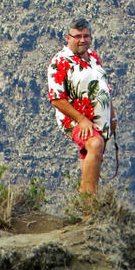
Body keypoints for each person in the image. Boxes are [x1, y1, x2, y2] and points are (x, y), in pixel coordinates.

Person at [47, 18, 117, 193]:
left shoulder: (93, 56)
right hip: (76, 120)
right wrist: (82, 120)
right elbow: (56, 98)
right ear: (68, 37)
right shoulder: (60, 62)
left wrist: (112, 116)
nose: (82, 40)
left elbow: (104, 87)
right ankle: (89, 200)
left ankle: (87, 212)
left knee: (91, 154)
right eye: (77, 36)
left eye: (86, 36)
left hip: (99, 119)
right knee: (94, 144)